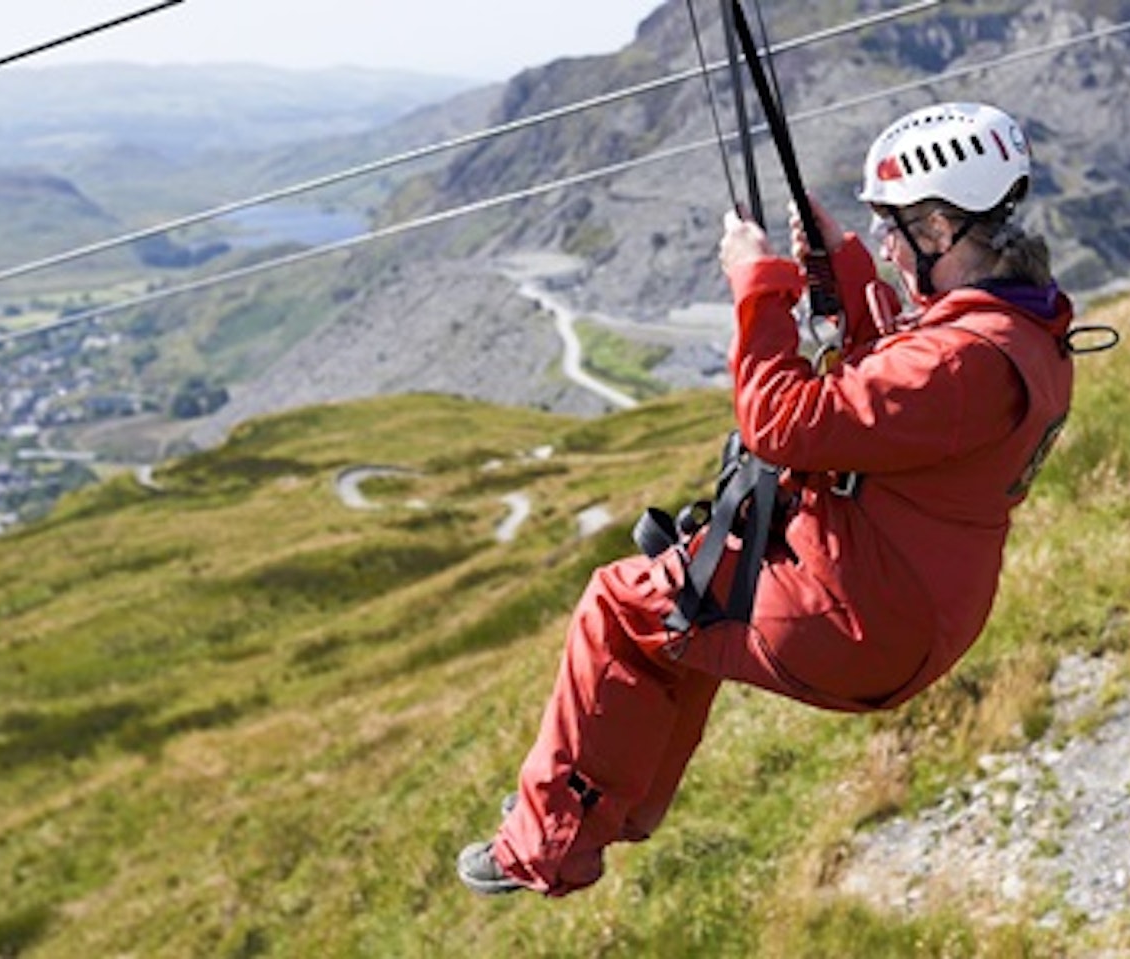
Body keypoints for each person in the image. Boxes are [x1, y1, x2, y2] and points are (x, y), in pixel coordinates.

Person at [457, 101, 1076, 896]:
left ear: (938, 228)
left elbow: (784, 421)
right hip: (902, 599)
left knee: (623, 605)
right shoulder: (1015, 326)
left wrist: (759, 287)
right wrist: (840, 263)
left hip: (865, 620)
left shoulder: (962, 364)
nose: (886, 245)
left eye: (892, 228)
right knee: (677, 613)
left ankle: (545, 846)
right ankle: (599, 811)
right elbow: (900, 376)